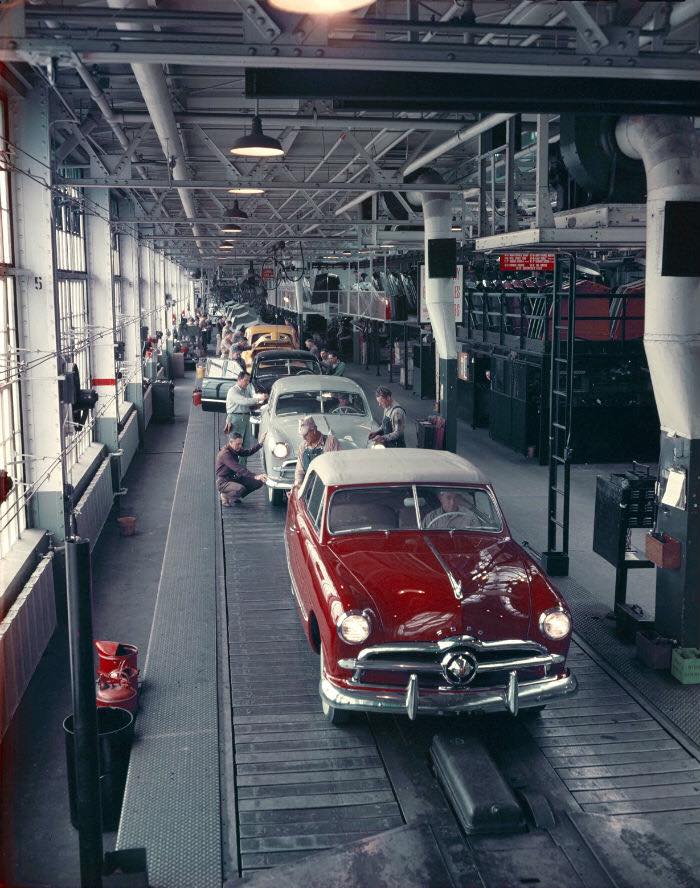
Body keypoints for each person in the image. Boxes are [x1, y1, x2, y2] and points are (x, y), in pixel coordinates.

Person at [223, 371, 267, 465]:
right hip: (236, 419)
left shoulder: (246, 390)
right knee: (236, 446)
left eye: (248, 381)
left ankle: (243, 468)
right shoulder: (233, 391)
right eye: (246, 380)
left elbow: (251, 401)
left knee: (245, 446)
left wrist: (260, 401)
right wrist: (259, 399)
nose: (247, 383)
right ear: (239, 379)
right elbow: (244, 401)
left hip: (246, 419)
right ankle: (234, 469)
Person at [215, 432, 267, 506]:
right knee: (240, 488)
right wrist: (255, 476)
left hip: (235, 478)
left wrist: (260, 444)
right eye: (238, 444)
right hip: (224, 482)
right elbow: (238, 468)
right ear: (230, 442)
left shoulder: (235, 448)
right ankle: (225, 495)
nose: (240, 446)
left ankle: (235, 495)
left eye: (241, 444)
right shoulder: (225, 454)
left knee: (258, 482)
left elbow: (248, 452)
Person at [294, 416, 340, 487]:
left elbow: (338, 467)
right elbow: (299, 472)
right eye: (302, 435)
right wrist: (297, 487)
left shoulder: (331, 441)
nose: (304, 438)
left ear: (314, 430)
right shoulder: (303, 446)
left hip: (327, 485)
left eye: (306, 435)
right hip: (309, 487)